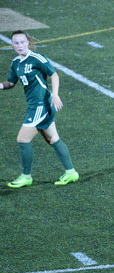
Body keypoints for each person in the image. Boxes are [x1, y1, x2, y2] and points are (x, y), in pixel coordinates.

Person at [0, 30, 79, 188]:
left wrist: (55, 95)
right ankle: (71, 172)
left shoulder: (37, 58)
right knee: (53, 139)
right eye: (16, 43)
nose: (20, 45)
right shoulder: (16, 63)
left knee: (23, 139)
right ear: (12, 45)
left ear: (28, 42)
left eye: (22, 42)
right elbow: (11, 83)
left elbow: (54, 75)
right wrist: (1, 86)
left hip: (41, 105)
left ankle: (26, 176)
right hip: (34, 105)